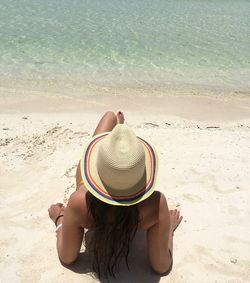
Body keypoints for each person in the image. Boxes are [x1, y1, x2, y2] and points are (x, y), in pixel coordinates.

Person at [48, 111, 182, 279]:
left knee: (109, 116)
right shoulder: (155, 205)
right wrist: (168, 228)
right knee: (113, 119)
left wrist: (60, 219)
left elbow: (67, 257)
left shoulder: (79, 203)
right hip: (134, 207)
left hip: (90, 198)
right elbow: (161, 267)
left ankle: (114, 138)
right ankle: (120, 138)